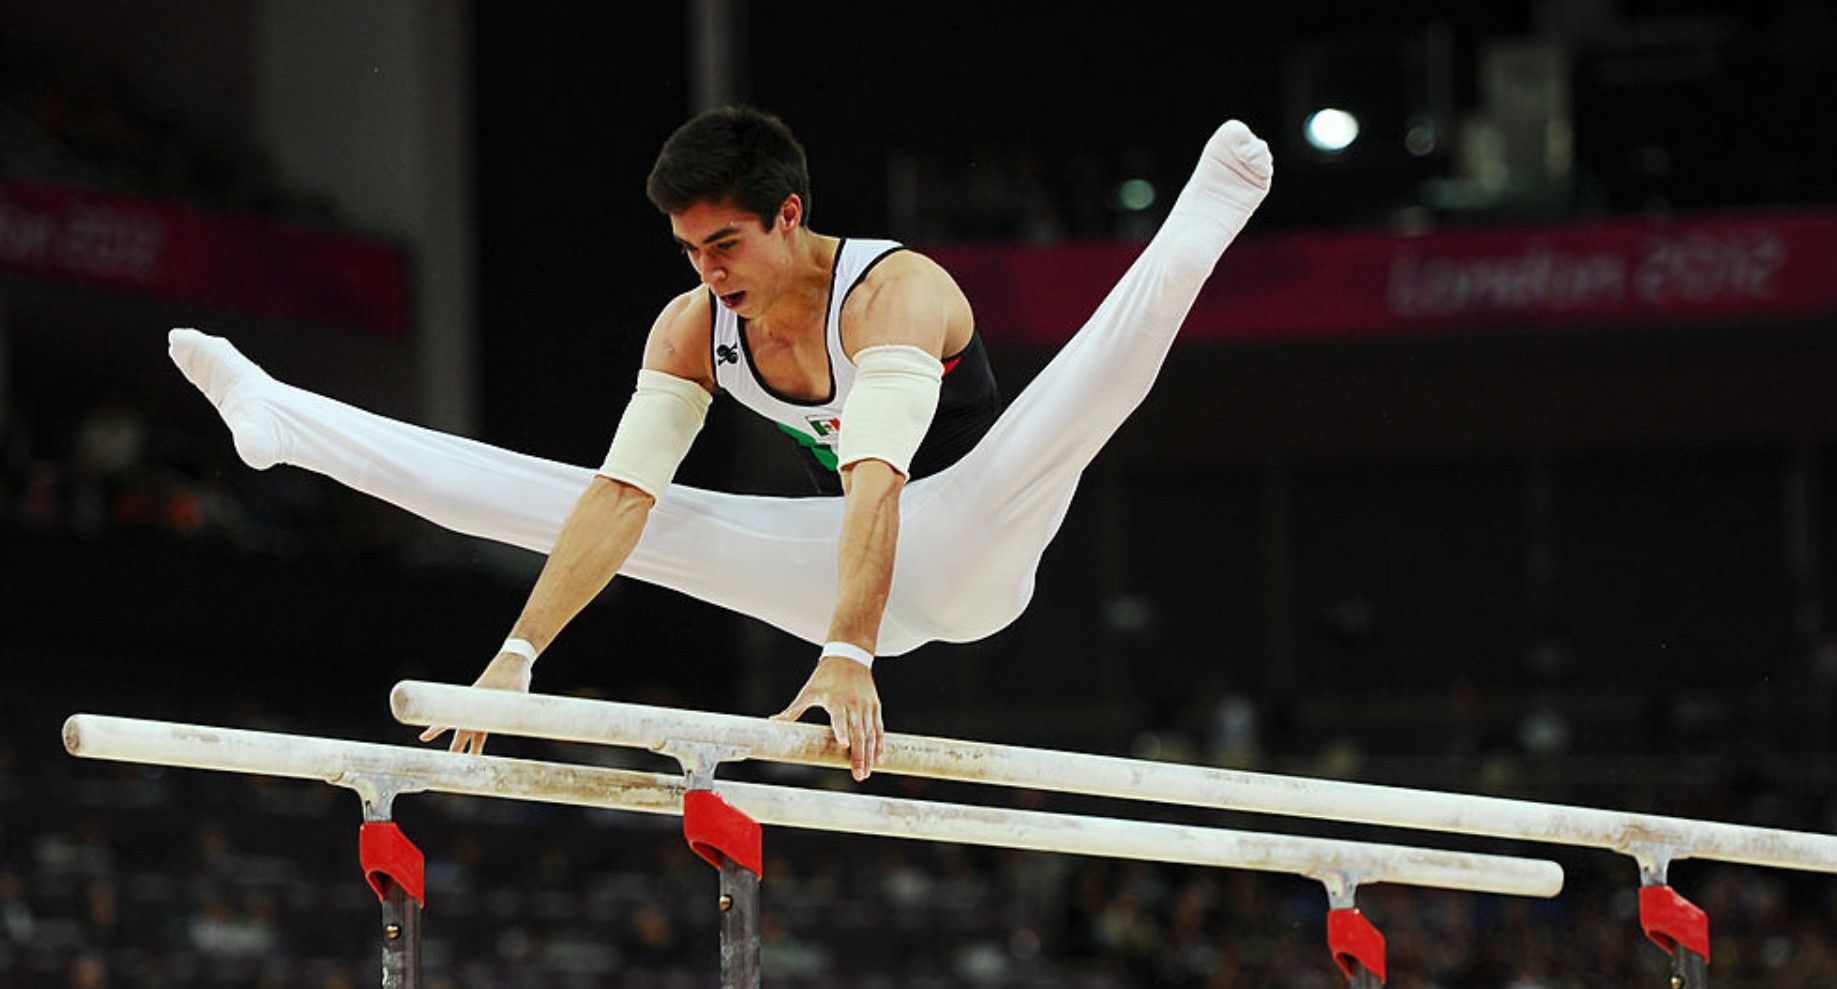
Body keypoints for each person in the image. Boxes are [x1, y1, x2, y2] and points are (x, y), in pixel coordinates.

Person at [168, 108, 1272, 778]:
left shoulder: (894, 294)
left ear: (790, 215)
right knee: (581, 498)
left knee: (1076, 402)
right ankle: (289, 424)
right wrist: (518, 654)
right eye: (690, 247)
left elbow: (880, 474)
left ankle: (1194, 231)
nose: (709, 270)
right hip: (839, 560)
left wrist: (847, 656)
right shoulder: (694, 328)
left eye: (727, 242)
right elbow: (619, 499)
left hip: (968, 533)